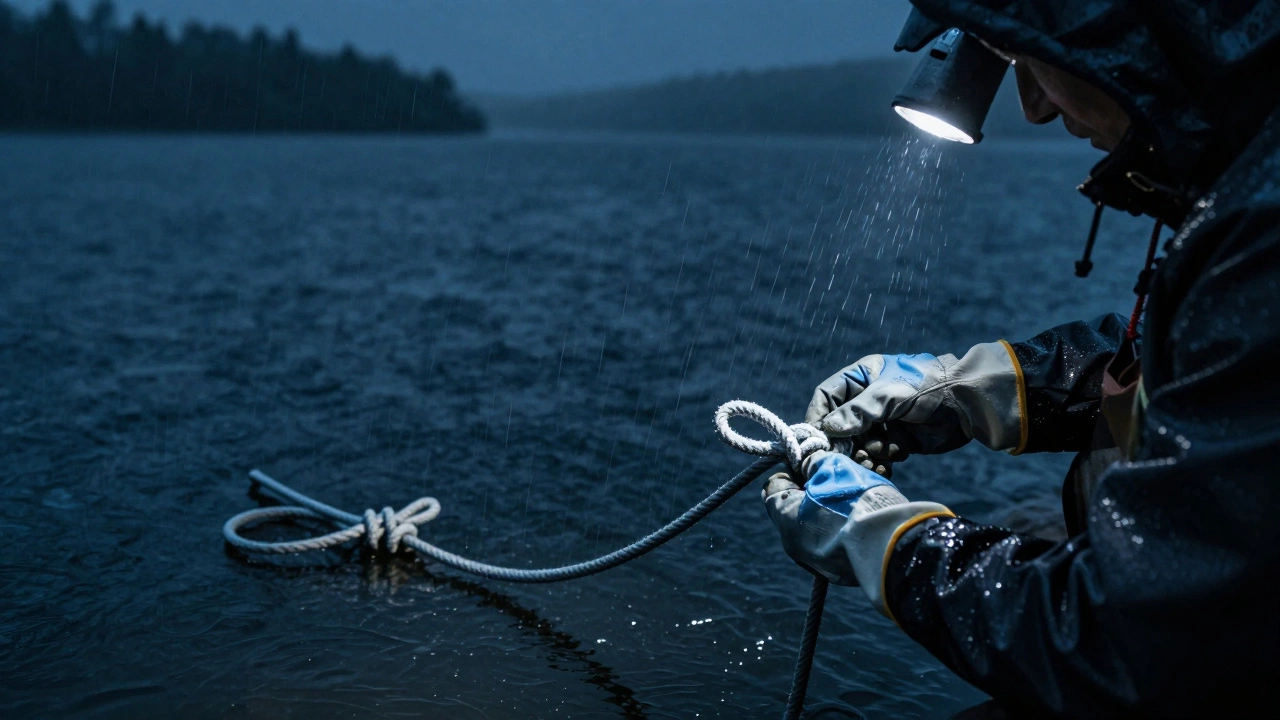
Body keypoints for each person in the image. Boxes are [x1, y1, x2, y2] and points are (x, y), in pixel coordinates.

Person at [762, 1, 1280, 717]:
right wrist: (975, 387)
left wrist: (888, 541)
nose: (1033, 108)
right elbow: (1207, 370)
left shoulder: (1266, 227)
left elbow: (1131, 644)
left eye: (1035, 62)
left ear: (1130, 38)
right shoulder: (1247, 184)